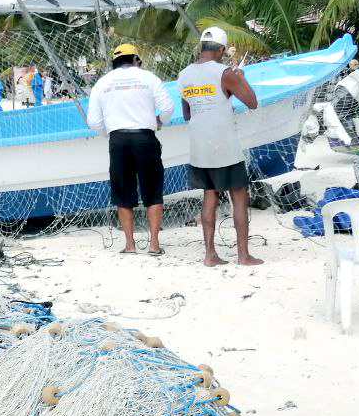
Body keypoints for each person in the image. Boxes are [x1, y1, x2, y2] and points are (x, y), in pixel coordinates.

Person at [178, 27, 263, 267]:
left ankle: (210, 255)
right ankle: (243, 256)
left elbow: (187, 113)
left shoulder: (183, 75)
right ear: (222, 50)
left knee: (209, 197)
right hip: (224, 145)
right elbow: (252, 102)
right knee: (239, 197)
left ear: (202, 47)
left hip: (199, 146)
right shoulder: (226, 73)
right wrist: (241, 77)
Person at [87, 43, 173, 255]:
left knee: (123, 194)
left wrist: (112, 133)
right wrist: (159, 121)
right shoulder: (149, 78)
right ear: (135, 59)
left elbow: (93, 121)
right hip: (144, 137)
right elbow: (168, 108)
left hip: (118, 140)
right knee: (153, 191)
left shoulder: (102, 83)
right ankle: (154, 245)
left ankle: (130, 245)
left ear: (114, 62)